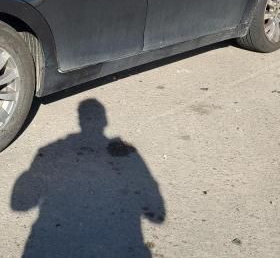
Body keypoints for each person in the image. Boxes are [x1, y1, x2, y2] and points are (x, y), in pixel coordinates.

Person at [11, 98, 165, 257]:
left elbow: (19, 205)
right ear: (104, 121)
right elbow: (158, 215)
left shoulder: (48, 150)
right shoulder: (133, 159)